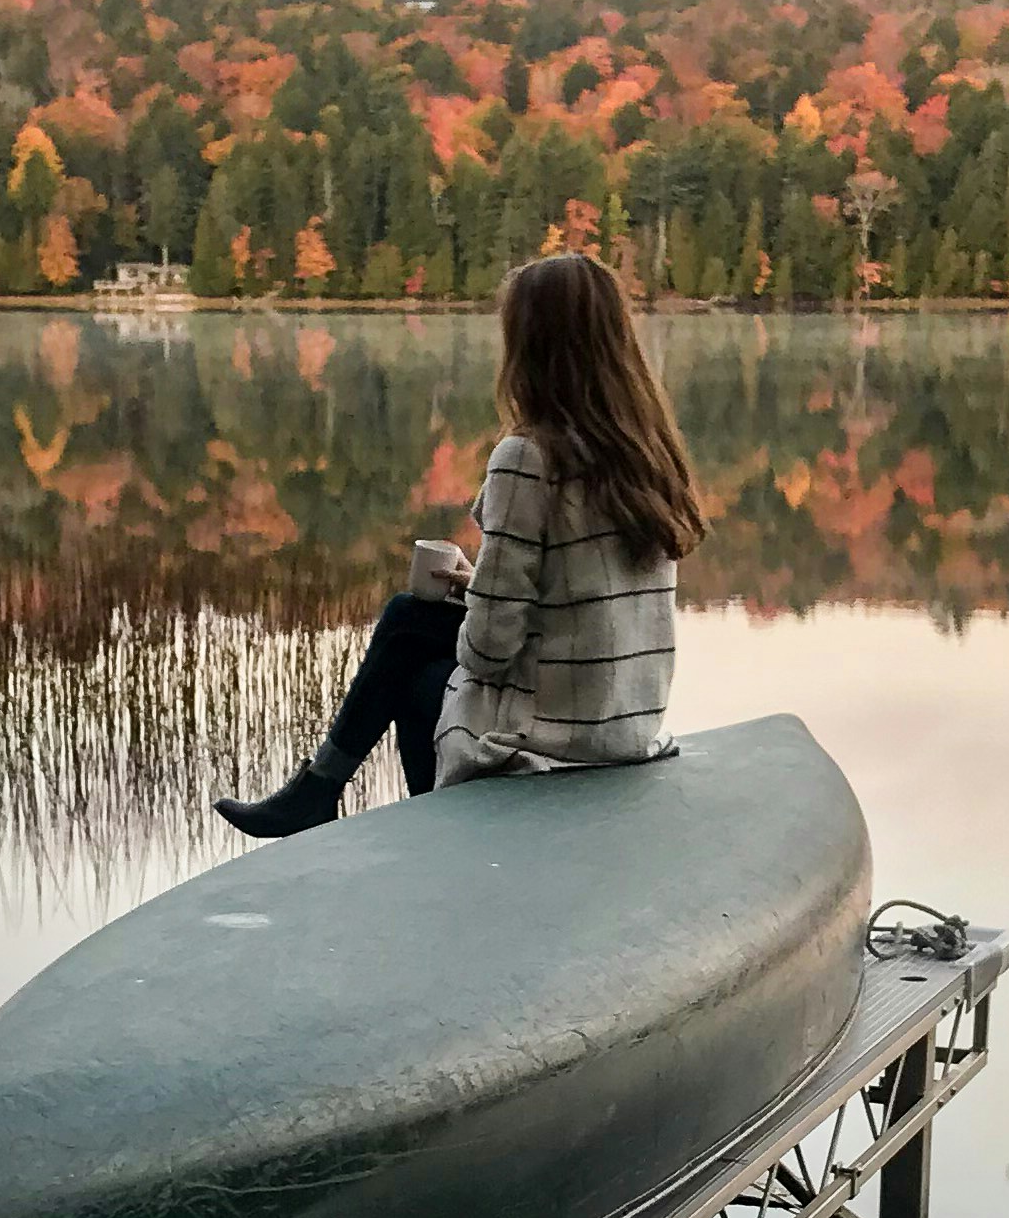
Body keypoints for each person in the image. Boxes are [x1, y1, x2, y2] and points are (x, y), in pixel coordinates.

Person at [215, 247, 707, 838]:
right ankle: (318, 790)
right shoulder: (650, 452)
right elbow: (591, 600)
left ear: (531, 346)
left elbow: (491, 649)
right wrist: (483, 586)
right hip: (626, 725)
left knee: (411, 656)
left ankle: (389, 819)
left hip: (557, 737)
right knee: (409, 619)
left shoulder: (529, 457)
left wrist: (481, 604)